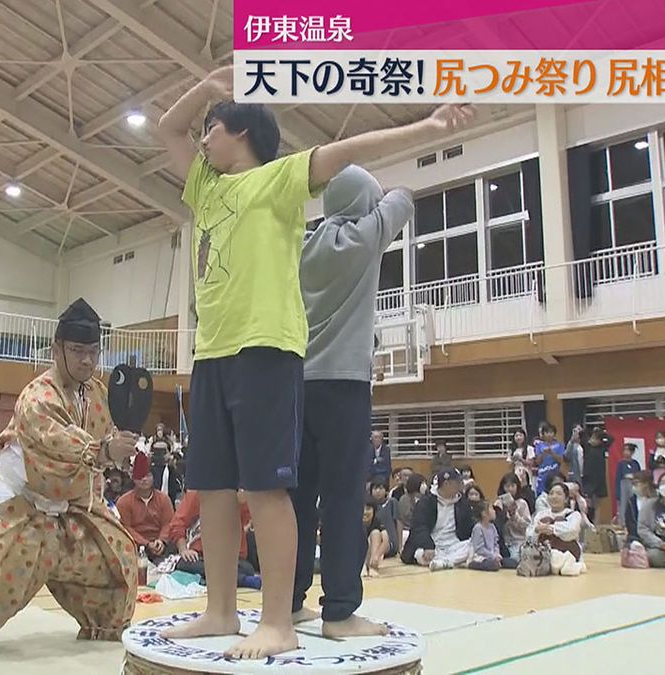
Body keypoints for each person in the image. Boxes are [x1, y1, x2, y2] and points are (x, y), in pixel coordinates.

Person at [155, 64, 473, 658]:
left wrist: (425, 125)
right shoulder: (206, 186)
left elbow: (344, 149)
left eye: (213, 128)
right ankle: (220, 610)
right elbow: (167, 131)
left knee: (268, 490)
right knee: (217, 488)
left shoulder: (277, 181)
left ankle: (277, 620)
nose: (201, 138)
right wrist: (206, 90)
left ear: (242, 134)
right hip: (213, 352)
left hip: (266, 352)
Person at [0, 298, 140, 662]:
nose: (87, 360)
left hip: (73, 506)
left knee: (117, 557)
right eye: (77, 351)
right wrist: (105, 452)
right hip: (25, 500)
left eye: (93, 351)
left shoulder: (97, 394)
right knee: (3, 567)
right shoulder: (37, 397)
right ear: (57, 349)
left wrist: (121, 450)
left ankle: (103, 626)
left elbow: (107, 444)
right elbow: (57, 447)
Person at [291, 163, 414, 637]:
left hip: (298, 386)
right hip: (344, 387)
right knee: (342, 501)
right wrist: (373, 196)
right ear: (363, 203)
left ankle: (290, 599)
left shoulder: (302, 248)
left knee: (297, 500)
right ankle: (340, 612)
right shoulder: (366, 238)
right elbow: (402, 195)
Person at [168, 488, 256, 580]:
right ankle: (241, 580)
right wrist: (184, 550)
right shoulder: (196, 494)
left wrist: (243, 500)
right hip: (201, 557)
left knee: (247, 569)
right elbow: (177, 524)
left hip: (231, 559)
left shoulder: (238, 496)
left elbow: (252, 520)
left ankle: (215, 577)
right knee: (185, 564)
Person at [401, 468, 474, 570]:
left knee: (474, 544)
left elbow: (469, 528)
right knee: (420, 553)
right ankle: (452, 561)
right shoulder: (425, 503)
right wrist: (428, 545)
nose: (461, 485)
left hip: (454, 545)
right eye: (458, 482)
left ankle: (445, 562)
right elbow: (419, 528)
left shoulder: (462, 503)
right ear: (446, 484)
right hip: (433, 545)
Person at [115, 453, 176, 563]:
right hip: (135, 547)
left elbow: (168, 523)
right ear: (133, 478)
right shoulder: (123, 502)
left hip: (162, 546)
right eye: (140, 476)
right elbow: (126, 528)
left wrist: (161, 540)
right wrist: (146, 544)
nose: (144, 479)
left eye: (147, 475)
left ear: (153, 477)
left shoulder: (164, 499)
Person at [528, 482, 587, 576]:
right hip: (545, 552)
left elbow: (572, 531)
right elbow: (529, 534)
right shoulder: (541, 515)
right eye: (551, 493)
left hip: (567, 551)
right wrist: (537, 530)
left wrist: (551, 528)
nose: (554, 496)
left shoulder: (574, 515)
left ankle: (567, 564)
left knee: (557, 556)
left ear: (566, 498)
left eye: (559, 494)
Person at [494, 473, 531, 566]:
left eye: (512, 486)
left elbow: (527, 526)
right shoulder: (498, 503)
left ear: (517, 487)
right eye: (507, 486)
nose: (510, 489)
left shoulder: (522, 503)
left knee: (514, 560)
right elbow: (495, 524)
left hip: (518, 542)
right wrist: (503, 513)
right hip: (502, 543)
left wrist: (514, 515)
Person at [468, 501, 514, 571]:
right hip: (480, 557)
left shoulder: (492, 527)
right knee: (492, 565)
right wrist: (493, 556)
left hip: (493, 556)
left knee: (513, 563)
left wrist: (497, 554)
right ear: (484, 513)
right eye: (491, 509)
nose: (494, 511)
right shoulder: (478, 528)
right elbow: (479, 549)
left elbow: (496, 544)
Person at [580, 426, 611, 522]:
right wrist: (591, 431)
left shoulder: (602, 448)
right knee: (588, 504)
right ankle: (587, 523)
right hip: (588, 479)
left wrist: (600, 432)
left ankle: (596, 526)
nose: (593, 441)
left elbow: (611, 439)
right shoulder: (587, 447)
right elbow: (582, 434)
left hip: (599, 480)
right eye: (592, 438)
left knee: (597, 505)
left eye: (596, 439)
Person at [533, 422, 566, 496]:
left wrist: (552, 453)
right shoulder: (539, 445)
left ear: (554, 433)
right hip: (542, 475)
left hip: (555, 475)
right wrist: (544, 454)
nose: (549, 434)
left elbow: (561, 460)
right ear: (543, 434)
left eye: (551, 432)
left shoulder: (559, 445)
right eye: (547, 432)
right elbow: (538, 462)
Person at [613, 443, 642, 523]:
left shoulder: (635, 463)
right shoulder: (621, 464)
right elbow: (618, 478)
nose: (625, 452)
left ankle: (634, 524)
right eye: (624, 450)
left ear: (632, 452)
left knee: (634, 508)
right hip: (623, 488)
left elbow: (639, 476)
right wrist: (618, 493)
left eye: (627, 450)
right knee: (623, 510)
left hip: (634, 489)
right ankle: (622, 525)